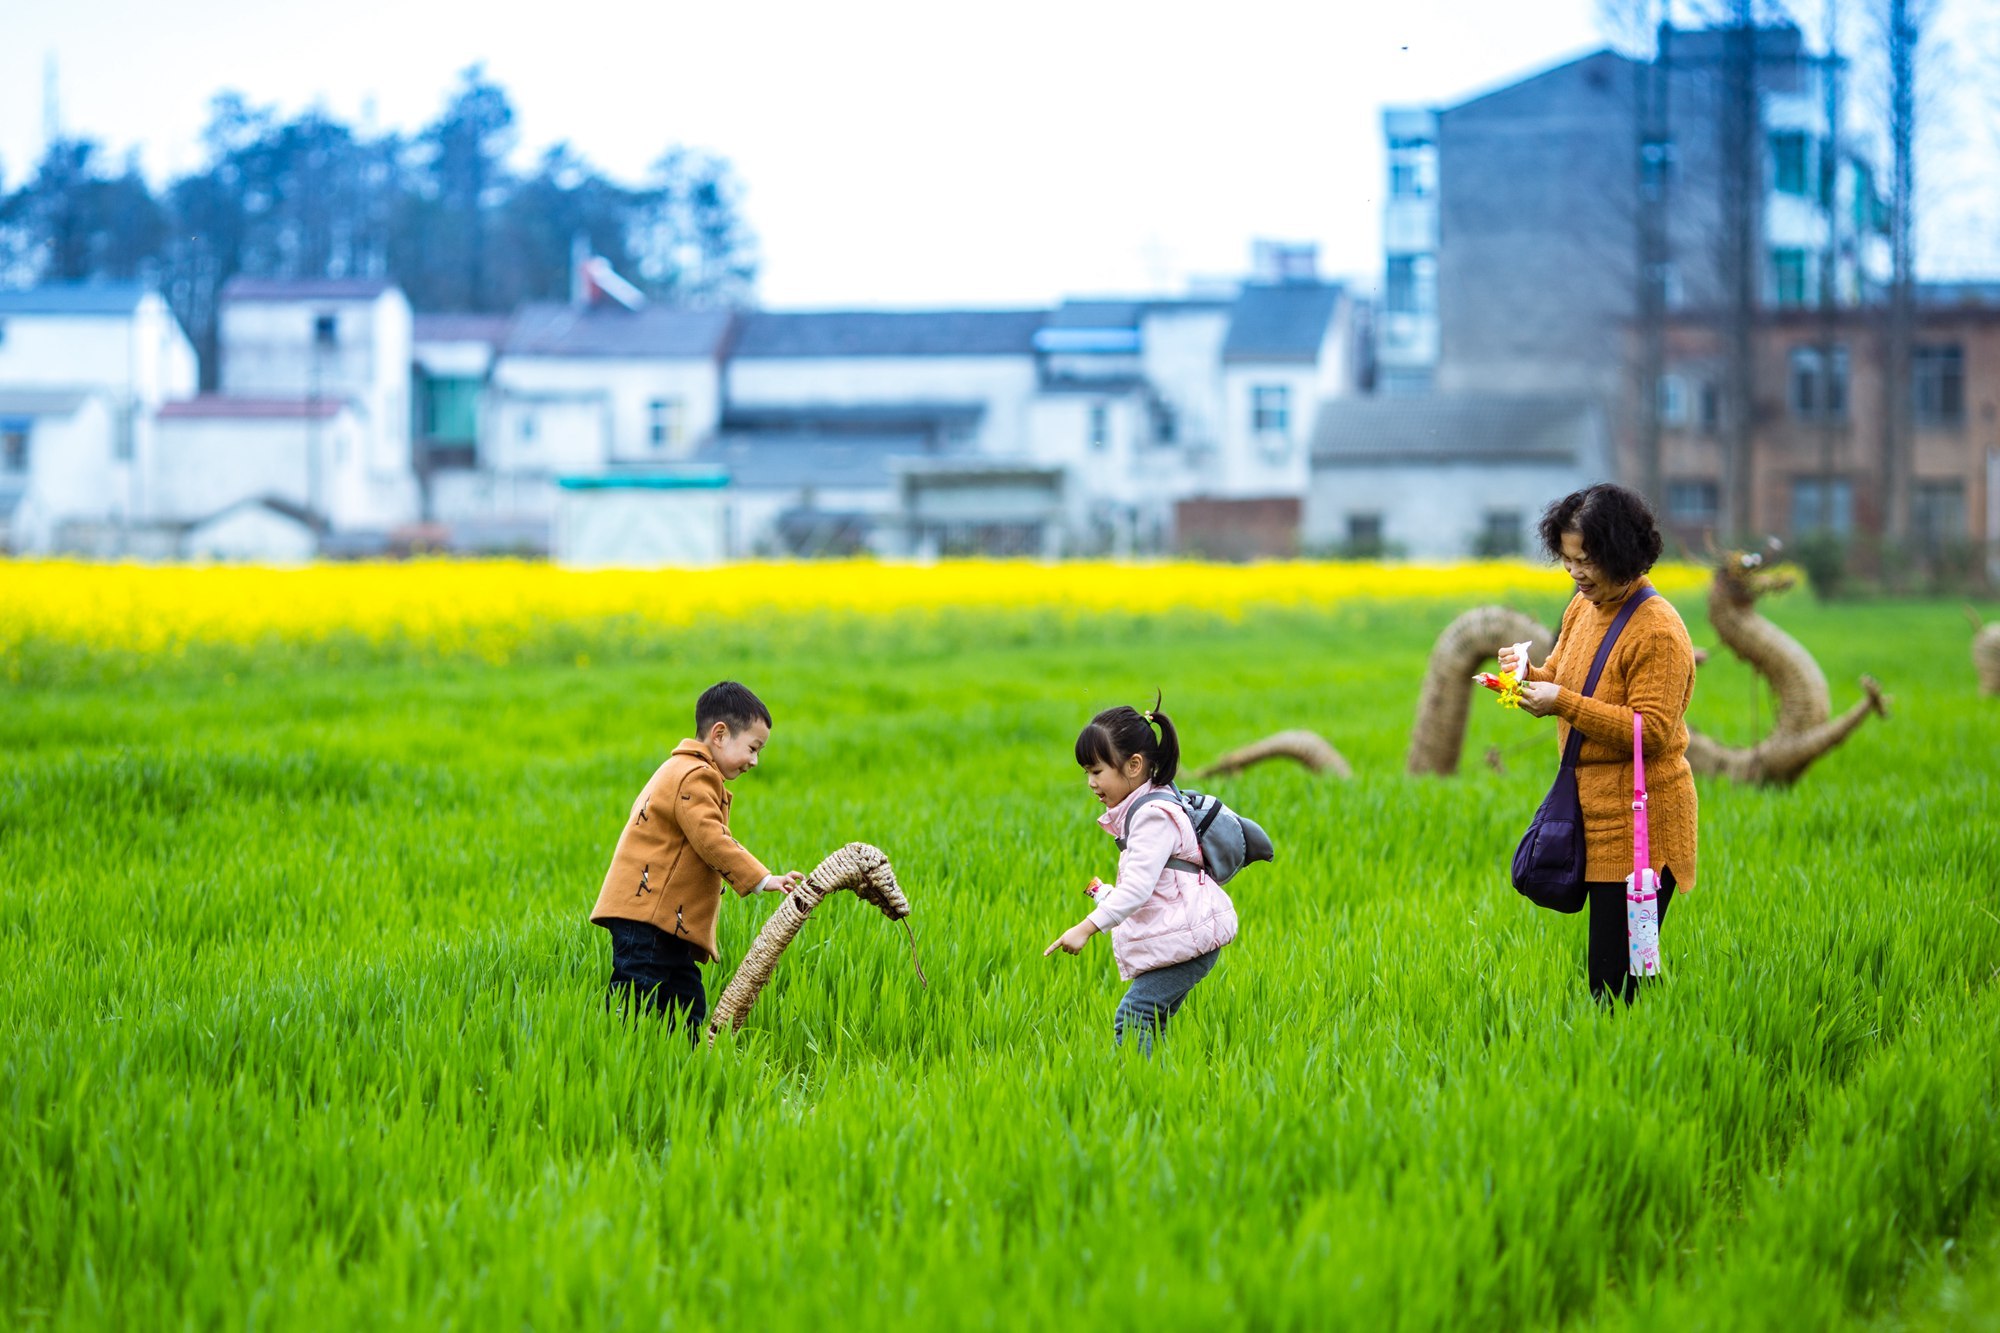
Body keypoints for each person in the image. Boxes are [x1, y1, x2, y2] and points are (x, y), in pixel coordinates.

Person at [1501, 484, 1698, 1003]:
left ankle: (1644, 1050)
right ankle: (1635, 1044)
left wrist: (1562, 702)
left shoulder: (1657, 630)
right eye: (1568, 560)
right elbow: (1562, 678)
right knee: (1614, 979)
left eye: (1586, 561)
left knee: (1616, 986)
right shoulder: (1582, 609)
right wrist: (1523, 677)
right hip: (1591, 816)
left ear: (1621, 553)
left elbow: (1651, 730)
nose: (1575, 573)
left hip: (1642, 830)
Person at [588, 681, 803, 1034]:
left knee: (686, 999)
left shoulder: (681, 769)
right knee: (637, 995)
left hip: (661, 918)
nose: (755, 761)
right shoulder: (694, 776)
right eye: (752, 748)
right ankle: (614, 1049)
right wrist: (763, 879)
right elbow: (711, 838)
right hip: (647, 917)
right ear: (719, 734)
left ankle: (682, 1057)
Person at [1044, 700, 1239, 1051]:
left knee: (1134, 1016)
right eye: (1086, 773)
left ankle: (1136, 1080)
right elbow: (1151, 887)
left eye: (1096, 771)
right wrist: (1107, 896)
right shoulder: (1151, 804)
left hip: (1188, 938)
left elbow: (1136, 890)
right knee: (1150, 1020)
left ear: (1134, 765)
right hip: (1184, 933)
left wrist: (1085, 929)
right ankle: (1157, 1078)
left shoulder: (1152, 816)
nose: (1090, 783)